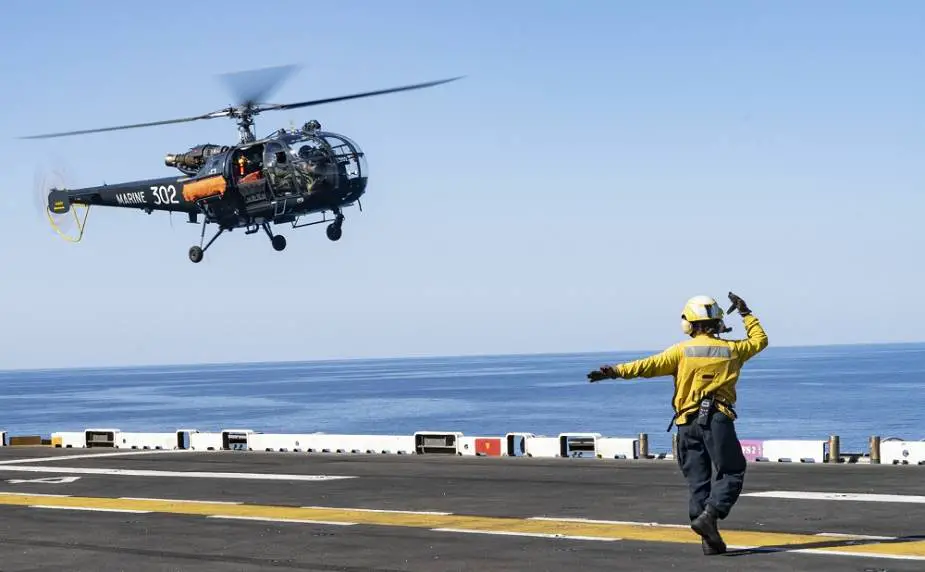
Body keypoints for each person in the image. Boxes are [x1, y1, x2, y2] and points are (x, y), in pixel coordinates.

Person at [587, 292, 768, 555]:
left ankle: (709, 541)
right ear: (718, 322)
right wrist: (745, 312)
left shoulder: (681, 351)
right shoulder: (733, 350)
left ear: (689, 324)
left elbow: (646, 366)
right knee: (732, 471)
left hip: (686, 423)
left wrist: (614, 372)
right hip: (717, 420)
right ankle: (712, 514)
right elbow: (760, 340)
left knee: (698, 481)